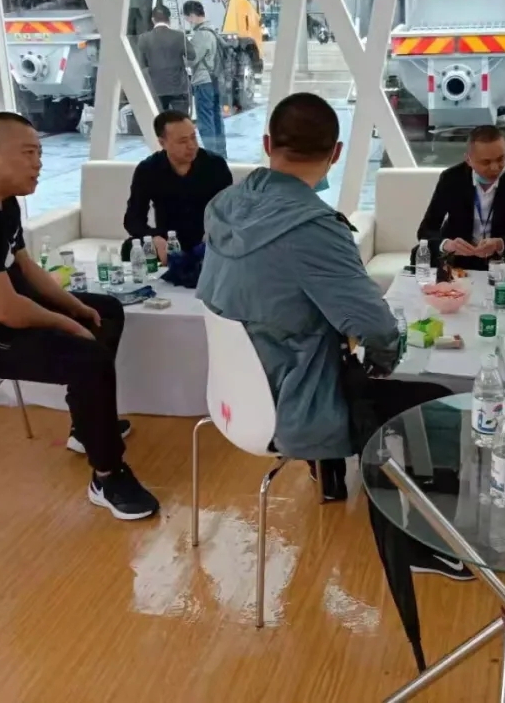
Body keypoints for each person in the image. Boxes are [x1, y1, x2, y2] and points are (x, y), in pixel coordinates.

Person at [196, 92, 467, 578]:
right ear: (336, 153)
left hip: (231, 395)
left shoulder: (222, 206)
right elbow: (376, 328)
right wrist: (384, 361)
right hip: (292, 404)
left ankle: (333, 479)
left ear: (267, 144)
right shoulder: (313, 229)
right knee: (435, 401)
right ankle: (426, 543)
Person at [0, 113, 158, 520]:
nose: (39, 163)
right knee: (88, 357)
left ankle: (87, 429)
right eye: (28, 153)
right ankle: (108, 475)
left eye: (40, 153)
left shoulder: (3, 201)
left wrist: (75, 307)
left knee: (104, 311)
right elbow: (5, 310)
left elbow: (24, 267)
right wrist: (68, 324)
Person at [414, 124, 505, 273]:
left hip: (504, 259)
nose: (495, 167)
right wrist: (447, 244)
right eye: (486, 162)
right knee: (419, 253)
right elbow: (426, 230)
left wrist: (499, 243)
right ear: (468, 159)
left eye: (501, 159)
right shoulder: (451, 179)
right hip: (461, 258)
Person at [123, 110, 232, 263]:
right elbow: (133, 219)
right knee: (129, 248)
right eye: (183, 141)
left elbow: (230, 212)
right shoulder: (148, 169)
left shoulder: (215, 165)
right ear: (162, 143)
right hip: (169, 242)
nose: (192, 146)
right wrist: (154, 238)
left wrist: (214, 233)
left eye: (193, 137)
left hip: (208, 241)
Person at [183, 0, 227, 157]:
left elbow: (191, 60)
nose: (187, 21)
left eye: (187, 17)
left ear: (192, 15)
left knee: (205, 121)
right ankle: (220, 154)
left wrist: (185, 50)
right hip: (215, 80)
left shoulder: (201, 34)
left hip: (203, 81)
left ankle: (211, 156)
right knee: (216, 119)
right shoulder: (213, 30)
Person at [136, 4, 194, 111]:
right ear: (169, 19)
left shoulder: (143, 38)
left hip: (155, 89)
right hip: (178, 88)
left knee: (159, 119)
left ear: (153, 20)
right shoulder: (179, 36)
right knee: (180, 119)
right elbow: (192, 55)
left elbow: (141, 64)